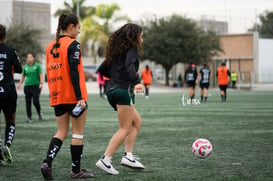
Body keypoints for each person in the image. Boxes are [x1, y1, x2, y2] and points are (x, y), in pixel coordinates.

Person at [41, 14, 94, 180]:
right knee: (77, 133)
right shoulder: (73, 44)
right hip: (73, 97)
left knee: (61, 132)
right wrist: (79, 97)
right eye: (78, 28)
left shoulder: (49, 46)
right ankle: (75, 171)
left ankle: (47, 162)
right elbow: (73, 71)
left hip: (57, 96)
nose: (79, 32)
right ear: (71, 26)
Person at [96, 23, 145, 175]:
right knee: (124, 128)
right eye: (141, 36)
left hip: (111, 91)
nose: (142, 40)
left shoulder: (115, 52)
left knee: (136, 122)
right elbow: (130, 65)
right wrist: (136, 82)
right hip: (123, 91)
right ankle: (105, 159)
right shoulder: (131, 49)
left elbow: (102, 69)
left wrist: (116, 78)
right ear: (134, 36)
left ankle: (128, 156)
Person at [0, 24, 22, 164]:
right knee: (10, 120)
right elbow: (19, 69)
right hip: (8, 91)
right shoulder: (10, 50)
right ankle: (7, 145)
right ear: (5, 36)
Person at [17, 53, 43, 122]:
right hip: (27, 86)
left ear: (33, 58)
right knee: (28, 102)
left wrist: (41, 83)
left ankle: (39, 112)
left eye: (30, 57)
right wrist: (20, 83)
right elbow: (23, 76)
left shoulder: (37, 66)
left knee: (35, 101)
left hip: (35, 86)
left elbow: (40, 75)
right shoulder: (25, 67)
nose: (29, 58)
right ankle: (29, 117)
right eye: (28, 57)